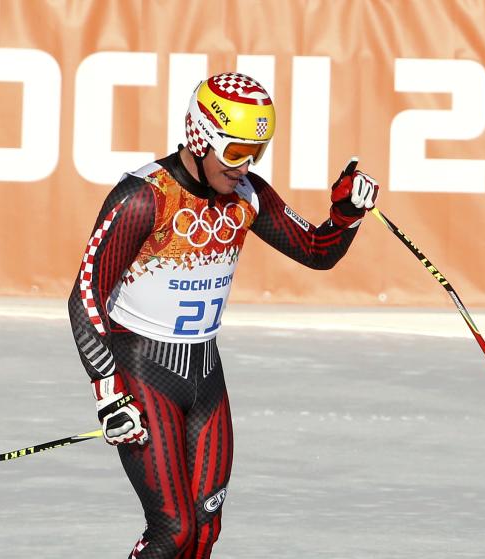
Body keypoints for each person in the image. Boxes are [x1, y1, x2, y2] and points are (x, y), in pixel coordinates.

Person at [67, 72, 379, 559]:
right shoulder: (144, 196)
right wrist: (108, 390)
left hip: (205, 375)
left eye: (257, 153)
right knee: (172, 530)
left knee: (205, 528)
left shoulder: (247, 195)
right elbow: (85, 296)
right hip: (144, 371)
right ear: (200, 137)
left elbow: (317, 251)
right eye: (235, 152)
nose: (245, 166)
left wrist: (346, 215)